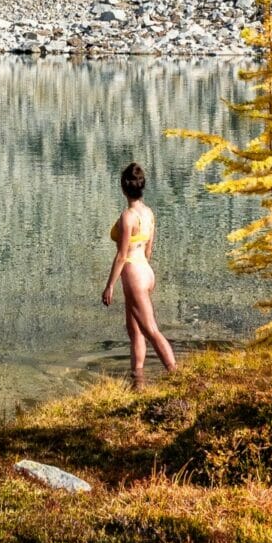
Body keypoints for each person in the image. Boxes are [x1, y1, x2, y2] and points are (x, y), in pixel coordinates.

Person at [102, 161, 177, 383]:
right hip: (145, 270)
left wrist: (110, 285)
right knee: (134, 330)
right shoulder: (148, 213)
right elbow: (149, 249)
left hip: (133, 273)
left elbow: (122, 255)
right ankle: (138, 377)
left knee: (151, 330)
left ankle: (176, 374)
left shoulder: (128, 217)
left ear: (124, 187)